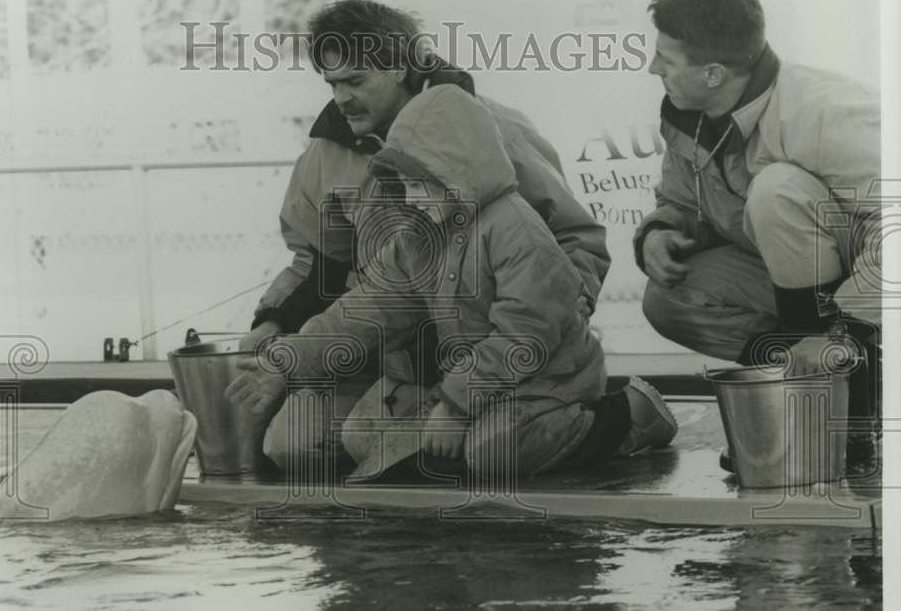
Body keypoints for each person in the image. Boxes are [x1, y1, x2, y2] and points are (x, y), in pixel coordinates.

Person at [235, 0, 611, 474]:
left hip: (503, 349)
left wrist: (552, 337)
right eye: (331, 83)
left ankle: (601, 418)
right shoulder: (326, 153)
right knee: (296, 446)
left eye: (356, 80)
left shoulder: (493, 134)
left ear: (399, 67)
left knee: (488, 447)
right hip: (389, 353)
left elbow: (574, 246)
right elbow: (321, 267)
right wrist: (275, 331)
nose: (341, 98)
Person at [227, 85, 677, 480]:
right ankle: (474, 435)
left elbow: (526, 334)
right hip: (475, 380)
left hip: (546, 380)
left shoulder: (516, 231)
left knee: (494, 451)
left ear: (460, 172)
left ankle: (628, 416)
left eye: (420, 184)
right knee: (363, 438)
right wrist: (285, 360)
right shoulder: (420, 239)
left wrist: (457, 404)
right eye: (401, 186)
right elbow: (362, 312)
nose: (410, 200)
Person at [634, 0, 881, 466]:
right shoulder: (692, 115)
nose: (651, 67)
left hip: (869, 303)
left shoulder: (827, 110)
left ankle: (851, 406)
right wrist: (661, 232)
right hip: (806, 300)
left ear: (713, 73)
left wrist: (841, 328)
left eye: (666, 57)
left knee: (776, 190)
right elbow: (686, 205)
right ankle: (808, 390)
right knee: (669, 298)